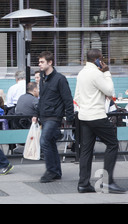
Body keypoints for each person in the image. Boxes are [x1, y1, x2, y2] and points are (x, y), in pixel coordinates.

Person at [74, 49, 125, 194]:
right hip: (97, 115)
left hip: (84, 116)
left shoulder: (82, 73)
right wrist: (107, 72)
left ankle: (83, 184)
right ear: (97, 59)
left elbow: (77, 97)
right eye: (102, 58)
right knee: (113, 144)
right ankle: (108, 182)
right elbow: (110, 91)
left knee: (86, 150)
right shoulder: (97, 73)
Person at [36, 51, 74, 183]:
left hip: (54, 116)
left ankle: (51, 171)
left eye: (42, 62)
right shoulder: (43, 78)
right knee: (50, 143)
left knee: (44, 141)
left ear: (50, 62)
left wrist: (69, 117)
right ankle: (56, 171)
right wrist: (37, 114)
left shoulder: (60, 79)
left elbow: (68, 99)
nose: (39, 64)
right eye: (39, 62)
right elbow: (42, 99)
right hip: (45, 116)